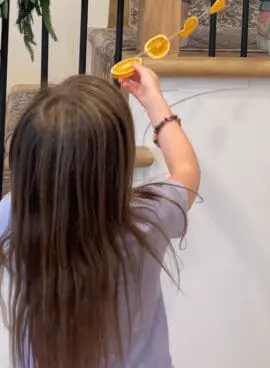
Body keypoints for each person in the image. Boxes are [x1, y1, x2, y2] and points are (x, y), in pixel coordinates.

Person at [0, 67, 200, 368]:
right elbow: (186, 171)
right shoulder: (148, 218)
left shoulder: (13, 216)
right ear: (118, 163)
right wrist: (154, 101)